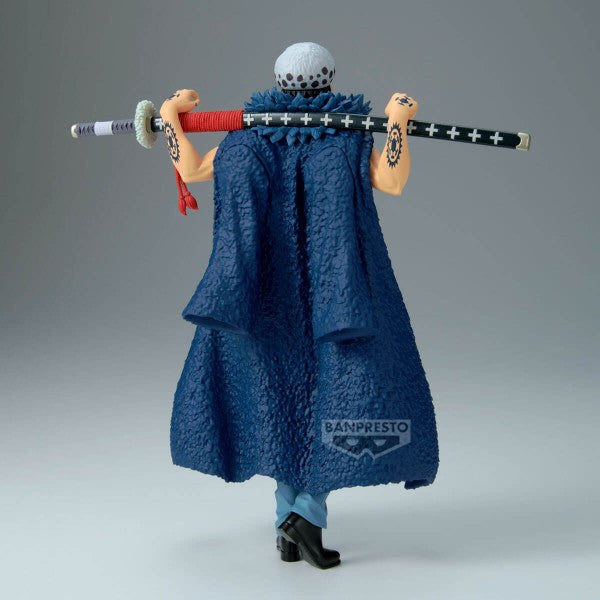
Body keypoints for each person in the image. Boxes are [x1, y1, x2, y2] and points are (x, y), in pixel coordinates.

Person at [160, 42, 439, 569]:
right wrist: (398, 121)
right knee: (331, 400)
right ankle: (304, 518)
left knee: (280, 404)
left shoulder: (245, 141)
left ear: (279, 82)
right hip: (336, 299)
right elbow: (393, 179)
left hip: (266, 302)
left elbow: (192, 170)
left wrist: (172, 116)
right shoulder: (345, 140)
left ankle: (290, 527)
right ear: (329, 82)